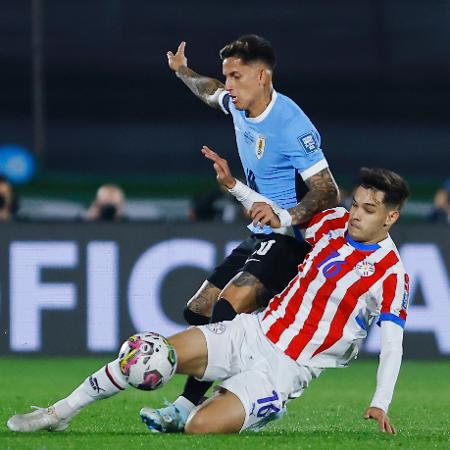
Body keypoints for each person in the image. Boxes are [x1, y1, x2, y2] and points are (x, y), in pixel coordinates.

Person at [7, 153, 410, 436]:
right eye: (356, 204)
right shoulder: (333, 223)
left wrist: (381, 400)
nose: (355, 214)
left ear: (390, 217)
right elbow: (277, 215)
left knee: (199, 428)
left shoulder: (391, 276)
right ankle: (59, 412)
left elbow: (393, 345)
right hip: (250, 332)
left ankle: (262, 406)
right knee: (146, 355)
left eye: (368, 210)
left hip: (285, 368)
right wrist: (235, 186)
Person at [153, 34, 339, 430]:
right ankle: (259, 385)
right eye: (227, 76)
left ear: (262, 77)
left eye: (236, 77)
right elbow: (210, 93)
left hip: (292, 238)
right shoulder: (239, 105)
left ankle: (187, 407)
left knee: (227, 307)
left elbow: (328, 190)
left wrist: (286, 218)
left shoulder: (291, 123)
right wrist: (182, 71)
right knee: (198, 309)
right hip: (260, 232)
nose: (229, 86)